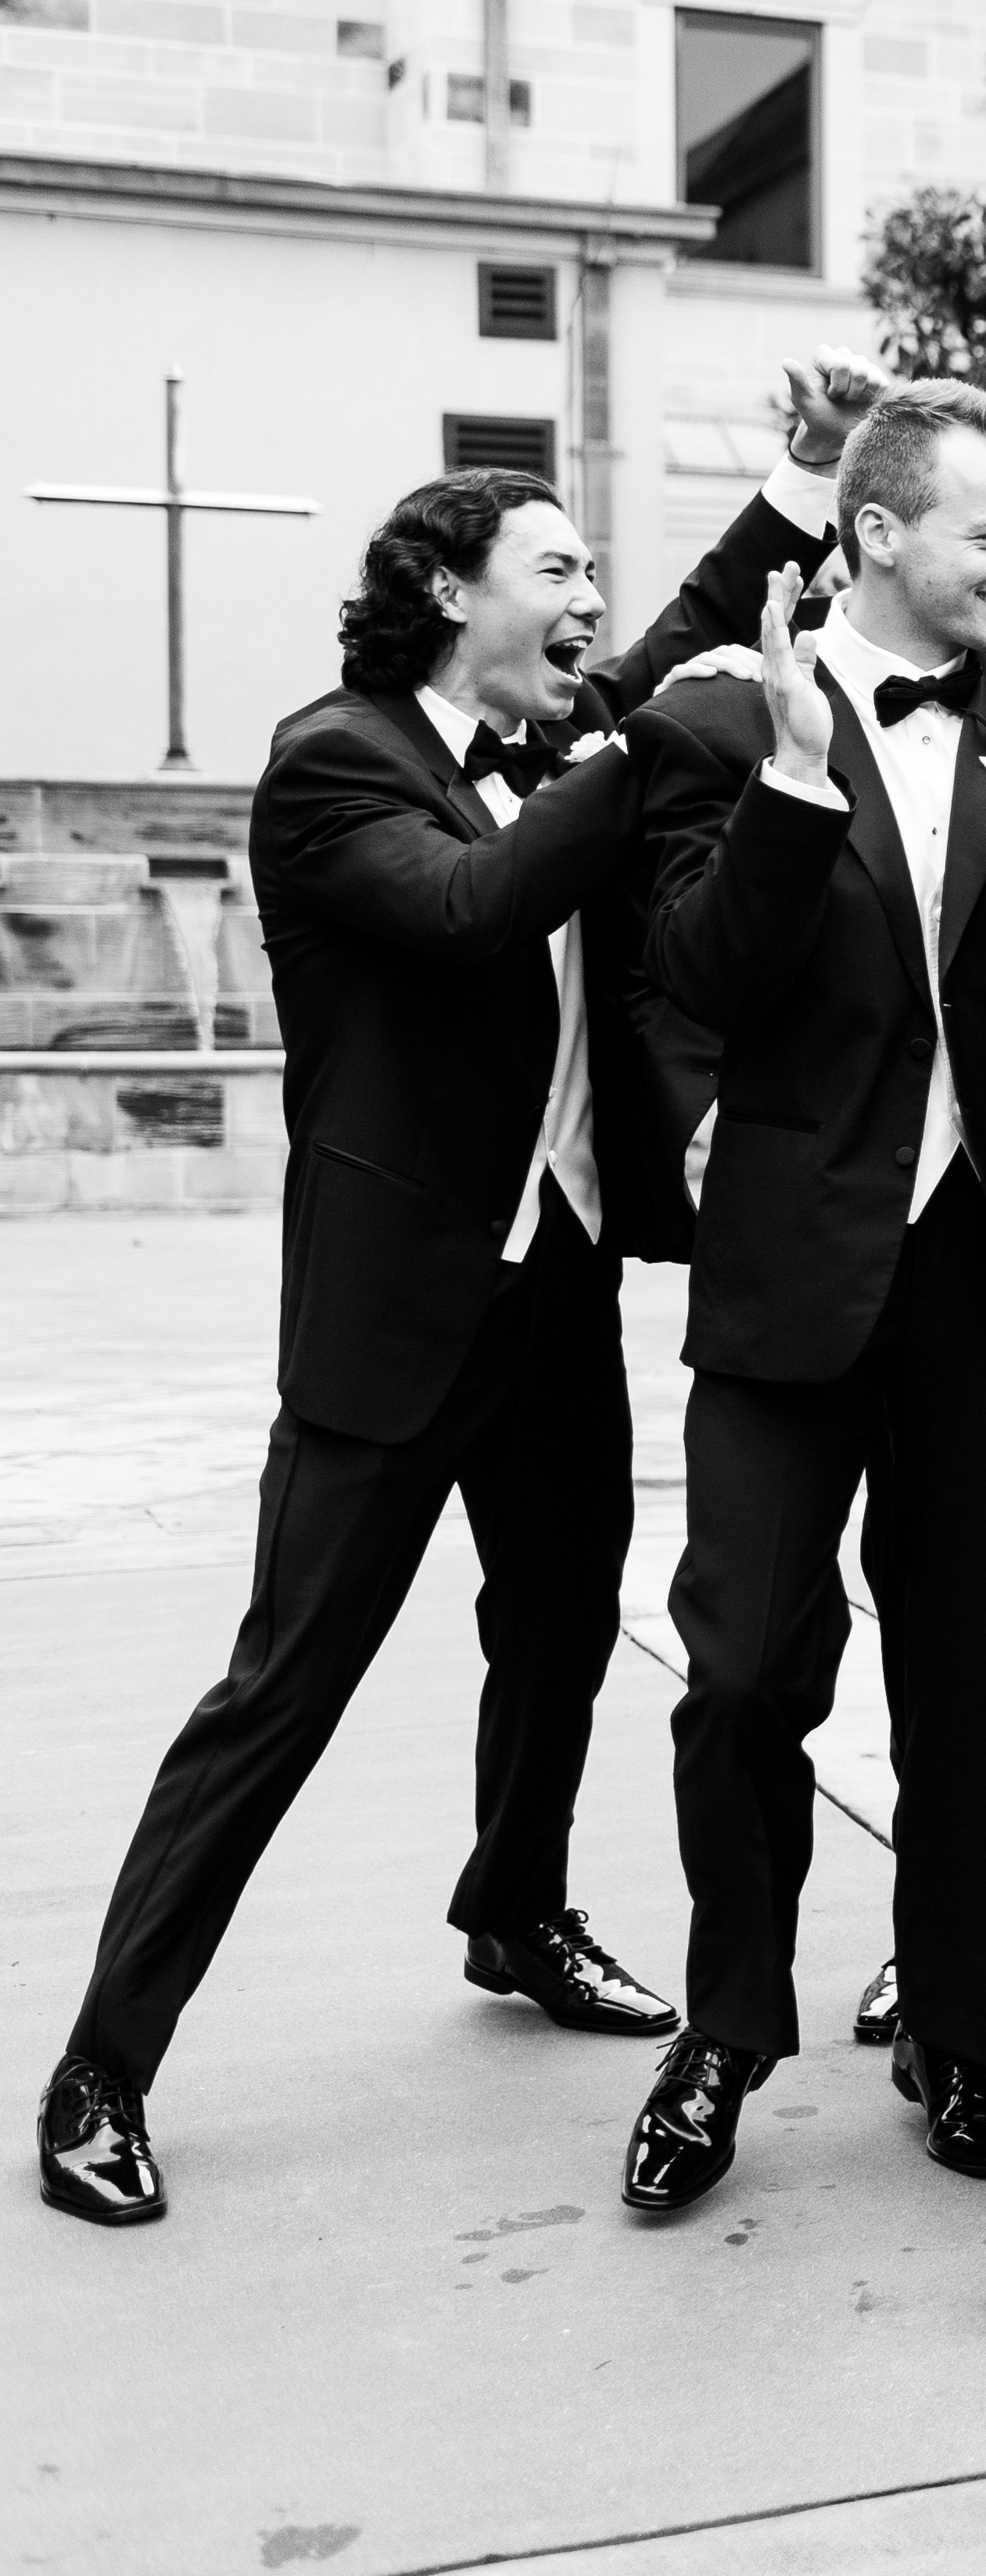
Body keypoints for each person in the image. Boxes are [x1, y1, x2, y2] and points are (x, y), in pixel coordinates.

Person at [33, 383, 859, 2227]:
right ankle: (101, 2065)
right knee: (282, 1688)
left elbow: (658, 659)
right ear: (444, 585)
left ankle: (516, 1905)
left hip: (556, 1282)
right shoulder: (331, 761)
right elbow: (485, 904)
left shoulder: (548, 726)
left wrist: (802, 487)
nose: (590, 596)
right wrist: (658, 743)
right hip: (396, 1312)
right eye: (555, 565)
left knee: (562, 1626)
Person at [610, 382, 986, 2217]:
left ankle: (960, 2028)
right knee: (740, 1669)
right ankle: (725, 2030)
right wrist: (800, 783)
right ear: (881, 531)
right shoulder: (715, 717)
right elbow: (700, 974)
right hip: (791, 1268)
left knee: (973, 1681)